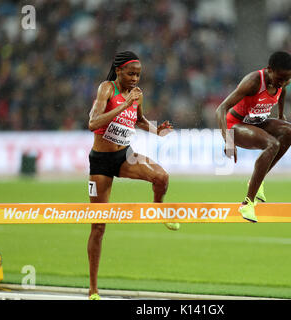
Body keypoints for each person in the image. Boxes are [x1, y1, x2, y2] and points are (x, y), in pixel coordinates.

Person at [86, 51, 179, 300]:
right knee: (98, 226)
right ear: (118, 71)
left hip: (125, 156)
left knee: (162, 178)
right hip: (101, 163)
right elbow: (93, 123)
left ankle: (157, 206)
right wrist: (123, 106)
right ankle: (93, 289)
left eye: (138, 74)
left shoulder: (138, 95)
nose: (135, 79)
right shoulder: (106, 89)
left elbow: (138, 121)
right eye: (131, 74)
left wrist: (155, 130)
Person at [216, 51, 291, 222]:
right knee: (273, 145)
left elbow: (282, 92)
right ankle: (247, 203)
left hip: (256, 123)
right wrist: (228, 141)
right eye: (280, 78)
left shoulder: (282, 81)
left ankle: (256, 181)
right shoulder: (253, 82)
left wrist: (281, 115)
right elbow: (221, 109)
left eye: (287, 79)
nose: (283, 83)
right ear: (269, 70)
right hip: (235, 126)